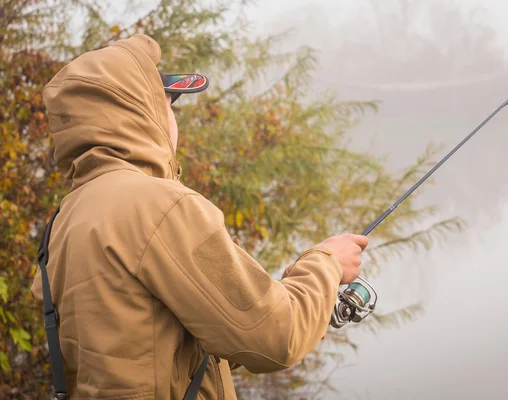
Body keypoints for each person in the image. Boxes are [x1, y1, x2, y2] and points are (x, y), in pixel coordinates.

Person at [31, 34, 369, 399]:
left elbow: (143, 350)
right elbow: (277, 335)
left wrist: (300, 300)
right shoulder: (158, 206)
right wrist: (327, 263)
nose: (174, 121)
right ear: (140, 110)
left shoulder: (64, 221)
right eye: (169, 105)